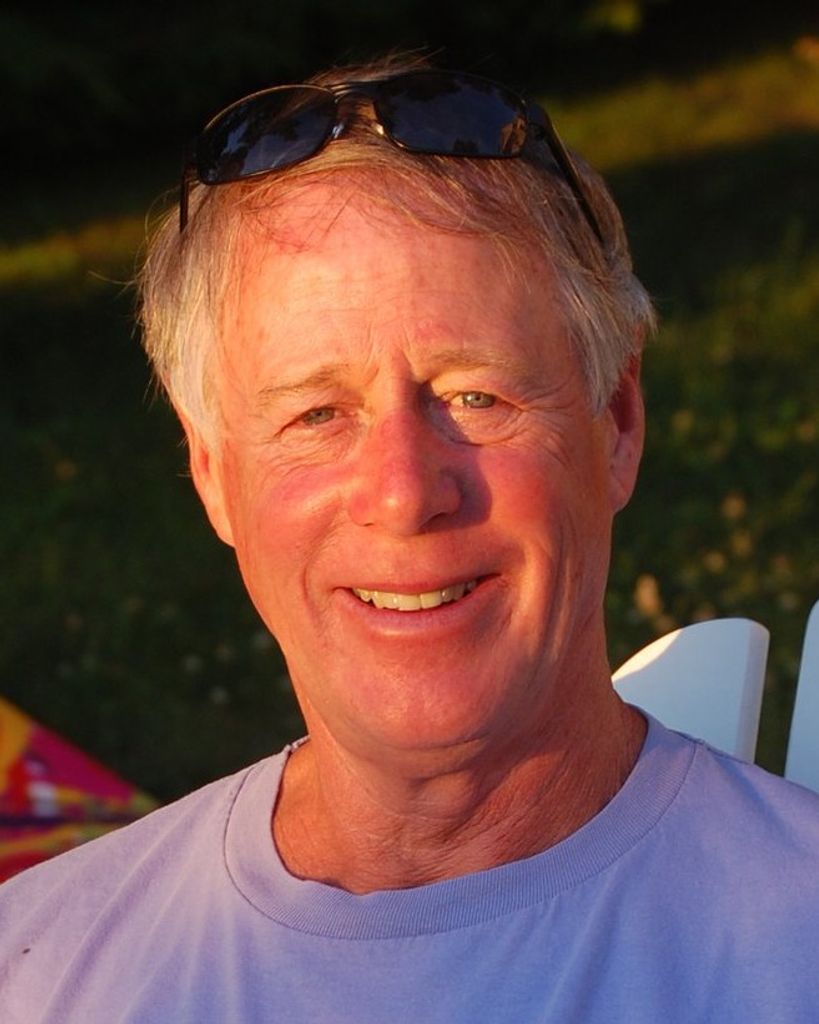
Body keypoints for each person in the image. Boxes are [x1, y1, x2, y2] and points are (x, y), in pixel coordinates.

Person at [2, 54, 819, 1023]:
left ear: (617, 423)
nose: (402, 493)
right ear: (213, 474)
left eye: (475, 396)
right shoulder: (44, 974)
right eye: (316, 414)